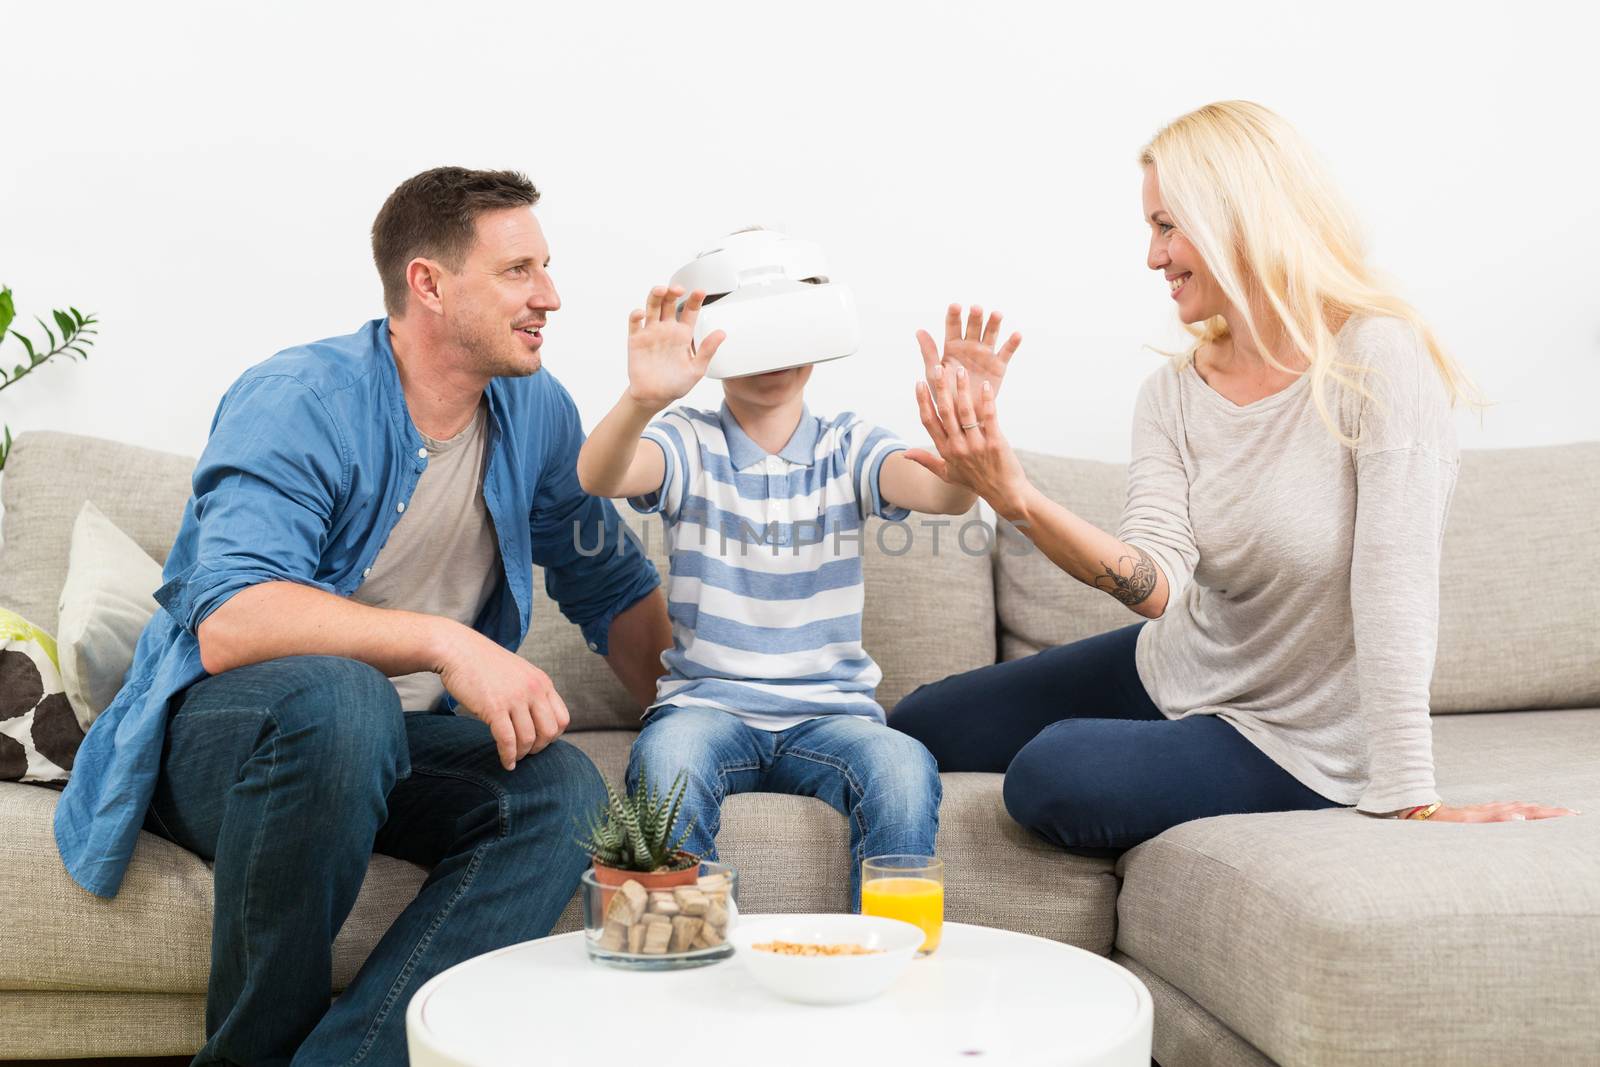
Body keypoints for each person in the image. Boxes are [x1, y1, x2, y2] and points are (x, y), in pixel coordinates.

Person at [53, 167, 671, 1064]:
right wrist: (444, 641)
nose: (551, 296)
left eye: (546, 267)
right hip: (235, 742)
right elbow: (232, 618)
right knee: (346, 702)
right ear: (428, 283)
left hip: (393, 749)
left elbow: (609, 583)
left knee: (562, 789)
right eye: (518, 271)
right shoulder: (301, 400)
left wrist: (701, 707)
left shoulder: (534, 410)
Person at [890, 101, 1577, 853]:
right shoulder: (1175, 394)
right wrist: (1010, 494)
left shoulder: (1380, 359)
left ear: (1237, 217)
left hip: (1294, 737)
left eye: (1166, 225)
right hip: (1176, 663)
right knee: (918, 723)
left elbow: (1397, 587)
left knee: (1051, 772)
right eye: (1151, 229)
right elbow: (1155, 585)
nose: (1154, 257)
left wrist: (1409, 792)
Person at [576, 231, 1018, 906]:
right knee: (666, 764)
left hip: (831, 714)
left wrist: (966, 424)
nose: (771, 357)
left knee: (902, 764)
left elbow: (947, 496)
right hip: (707, 706)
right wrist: (642, 399)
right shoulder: (687, 442)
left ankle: (887, 952)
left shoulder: (849, 445)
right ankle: (687, 951)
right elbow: (600, 475)